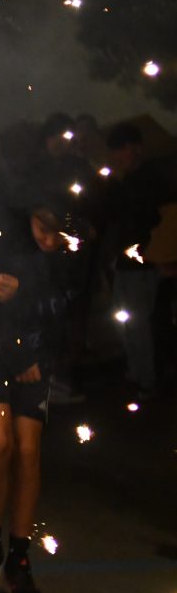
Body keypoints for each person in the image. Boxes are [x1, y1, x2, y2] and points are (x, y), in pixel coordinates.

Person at [0, 204, 80, 593]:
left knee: (28, 451)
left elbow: (67, 305)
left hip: (37, 357)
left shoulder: (69, 251)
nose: (48, 238)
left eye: (56, 230)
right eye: (41, 227)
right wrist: (17, 351)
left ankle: (19, 558)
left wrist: (28, 306)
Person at [97, 122, 172, 397]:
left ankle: (148, 379)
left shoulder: (152, 179)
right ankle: (137, 372)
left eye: (123, 149)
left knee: (142, 323)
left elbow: (157, 221)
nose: (118, 156)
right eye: (115, 151)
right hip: (126, 263)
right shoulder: (123, 182)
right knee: (128, 322)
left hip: (146, 261)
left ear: (136, 148)